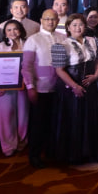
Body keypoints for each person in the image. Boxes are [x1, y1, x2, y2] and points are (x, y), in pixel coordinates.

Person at [54, 13, 98, 163]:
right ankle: (74, 155)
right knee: (74, 118)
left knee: (90, 117)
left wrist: (96, 75)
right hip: (71, 87)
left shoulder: (93, 41)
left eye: (80, 24)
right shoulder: (61, 45)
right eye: (74, 25)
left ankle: (90, 152)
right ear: (68, 27)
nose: (78, 28)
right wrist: (74, 86)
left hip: (90, 85)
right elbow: (59, 70)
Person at [21, 9, 63, 167]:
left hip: (59, 88)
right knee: (38, 124)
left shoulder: (63, 38)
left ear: (58, 21)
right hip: (41, 88)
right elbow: (26, 66)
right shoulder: (33, 40)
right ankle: (35, 155)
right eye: (47, 19)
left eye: (53, 19)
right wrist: (30, 87)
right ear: (41, 20)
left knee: (55, 122)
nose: (50, 22)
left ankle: (52, 152)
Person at [0, 19, 29, 157]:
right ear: (5, 33)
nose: (12, 32)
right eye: (9, 30)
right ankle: (8, 145)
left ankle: (22, 141)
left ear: (21, 30)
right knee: (6, 116)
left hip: (24, 85)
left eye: (15, 29)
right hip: (4, 86)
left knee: (23, 115)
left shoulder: (28, 44)